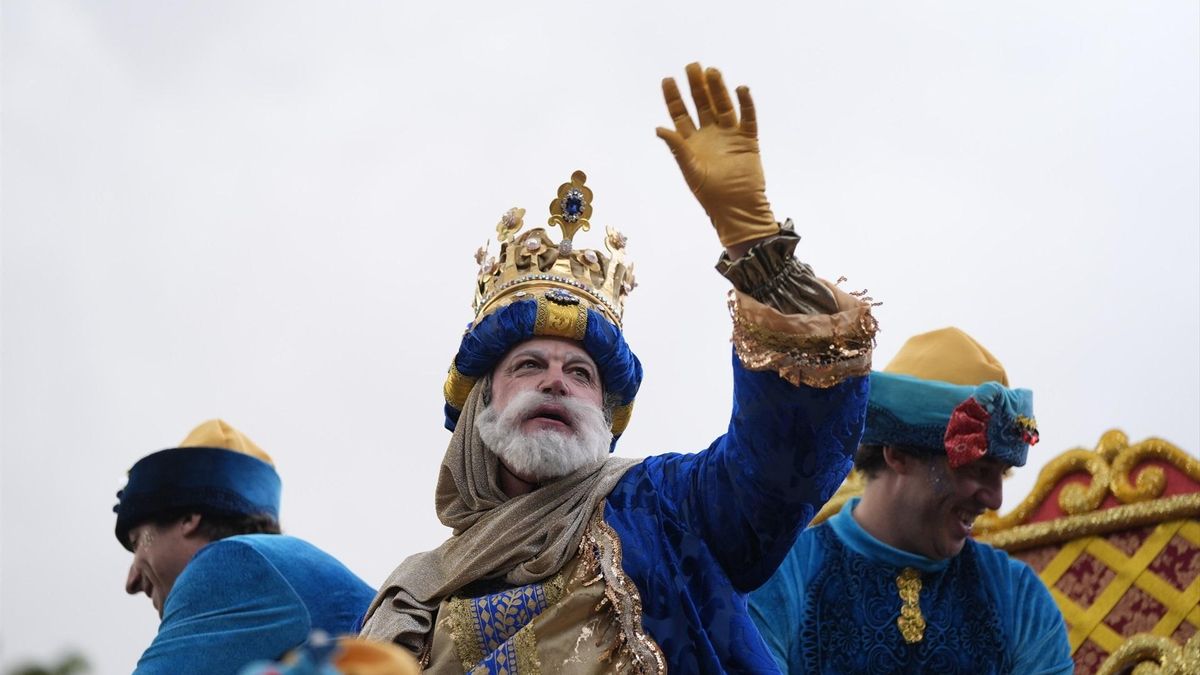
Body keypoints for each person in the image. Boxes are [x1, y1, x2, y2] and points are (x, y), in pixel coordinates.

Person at [358, 63, 879, 673]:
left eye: (582, 375)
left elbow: (784, 465)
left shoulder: (662, 507)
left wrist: (757, 249)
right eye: (529, 365)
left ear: (606, 415)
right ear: (482, 405)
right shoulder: (413, 597)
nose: (556, 380)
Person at [748, 327, 1074, 674]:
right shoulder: (783, 581)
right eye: (977, 470)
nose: (995, 500)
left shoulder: (1020, 600)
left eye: (1003, 473)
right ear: (898, 453)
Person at [114, 419, 377, 674]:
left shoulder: (229, 563)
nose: (131, 581)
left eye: (138, 542)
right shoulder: (273, 563)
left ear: (188, 518)